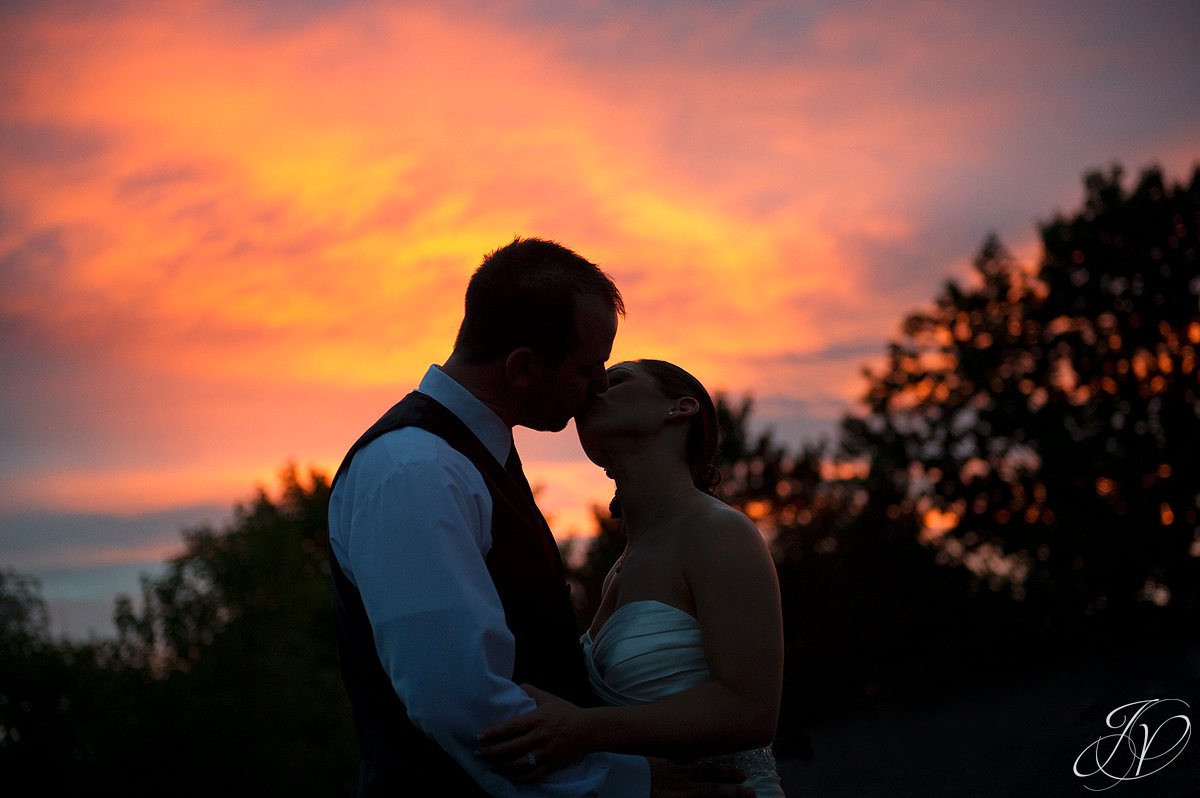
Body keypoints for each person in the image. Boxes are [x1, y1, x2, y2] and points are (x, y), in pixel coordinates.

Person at [327, 238, 755, 797]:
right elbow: (461, 700)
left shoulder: (471, 460)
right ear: (524, 367)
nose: (599, 385)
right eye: (588, 367)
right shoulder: (415, 470)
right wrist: (633, 784)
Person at [476, 359, 786, 797]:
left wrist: (583, 728)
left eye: (617, 379)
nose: (595, 386)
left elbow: (751, 710)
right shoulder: (617, 570)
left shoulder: (720, 532)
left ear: (680, 408)